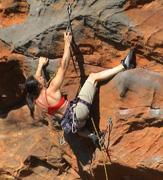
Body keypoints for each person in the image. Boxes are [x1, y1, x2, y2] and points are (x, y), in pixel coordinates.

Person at [25, 32, 135, 147]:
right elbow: (64, 66)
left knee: (79, 128)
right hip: (79, 112)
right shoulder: (52, 89)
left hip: (73, 124)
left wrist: (40, 66)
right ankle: (124, 66)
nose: (41, 77)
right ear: (39, 86)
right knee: (93, 78)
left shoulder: (37, 103)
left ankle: (91, 135)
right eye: (40, 78)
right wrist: (67, 43)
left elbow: (33, 86)